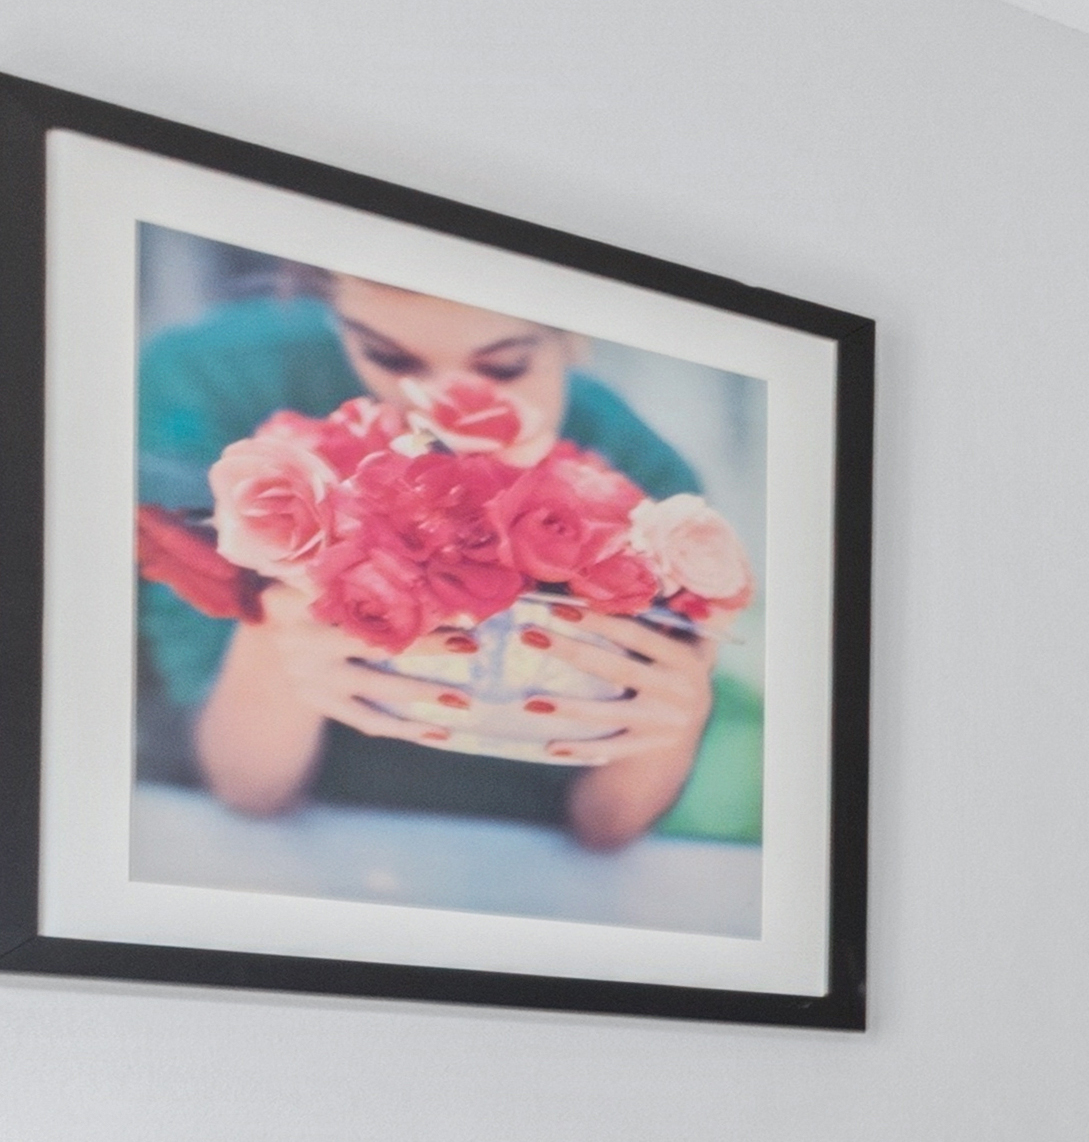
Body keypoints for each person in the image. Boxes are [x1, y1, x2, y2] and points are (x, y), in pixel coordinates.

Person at [134, 268, 744, 852]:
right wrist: (275, 633)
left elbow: (605, 831)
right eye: (387, 357)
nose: (442, 406)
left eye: (504, 365)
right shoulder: (215, 377)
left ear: (576, 335)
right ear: (336, 314)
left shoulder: (644, 478)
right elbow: (247, 791)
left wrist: (671, 727)